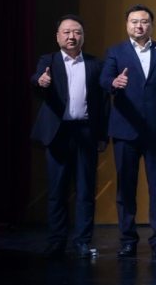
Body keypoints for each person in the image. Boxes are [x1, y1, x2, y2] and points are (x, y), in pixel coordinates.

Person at [100, 4, 156, 258]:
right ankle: (128, 239)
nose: (139, 26)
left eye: (144, 21)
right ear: (127, 25)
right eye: (134, 21)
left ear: (151, 25)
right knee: (126, 187)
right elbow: (104, 80)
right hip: (125, 130)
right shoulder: (116, 52)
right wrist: (114, 82)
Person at [30, 15, 108, 259]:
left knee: (85, 191)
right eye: (66, 32)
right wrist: (41, 81)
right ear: (57, 37)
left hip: (86, 132)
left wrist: (102, 136)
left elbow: (103, 103)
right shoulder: (49, 61)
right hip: (58, 134)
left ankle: (82, 241)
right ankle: (57, 241)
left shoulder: (95, 64)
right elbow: (36, 81)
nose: (72, 36)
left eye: (77, 32)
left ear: (83, 36)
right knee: (57, 191)